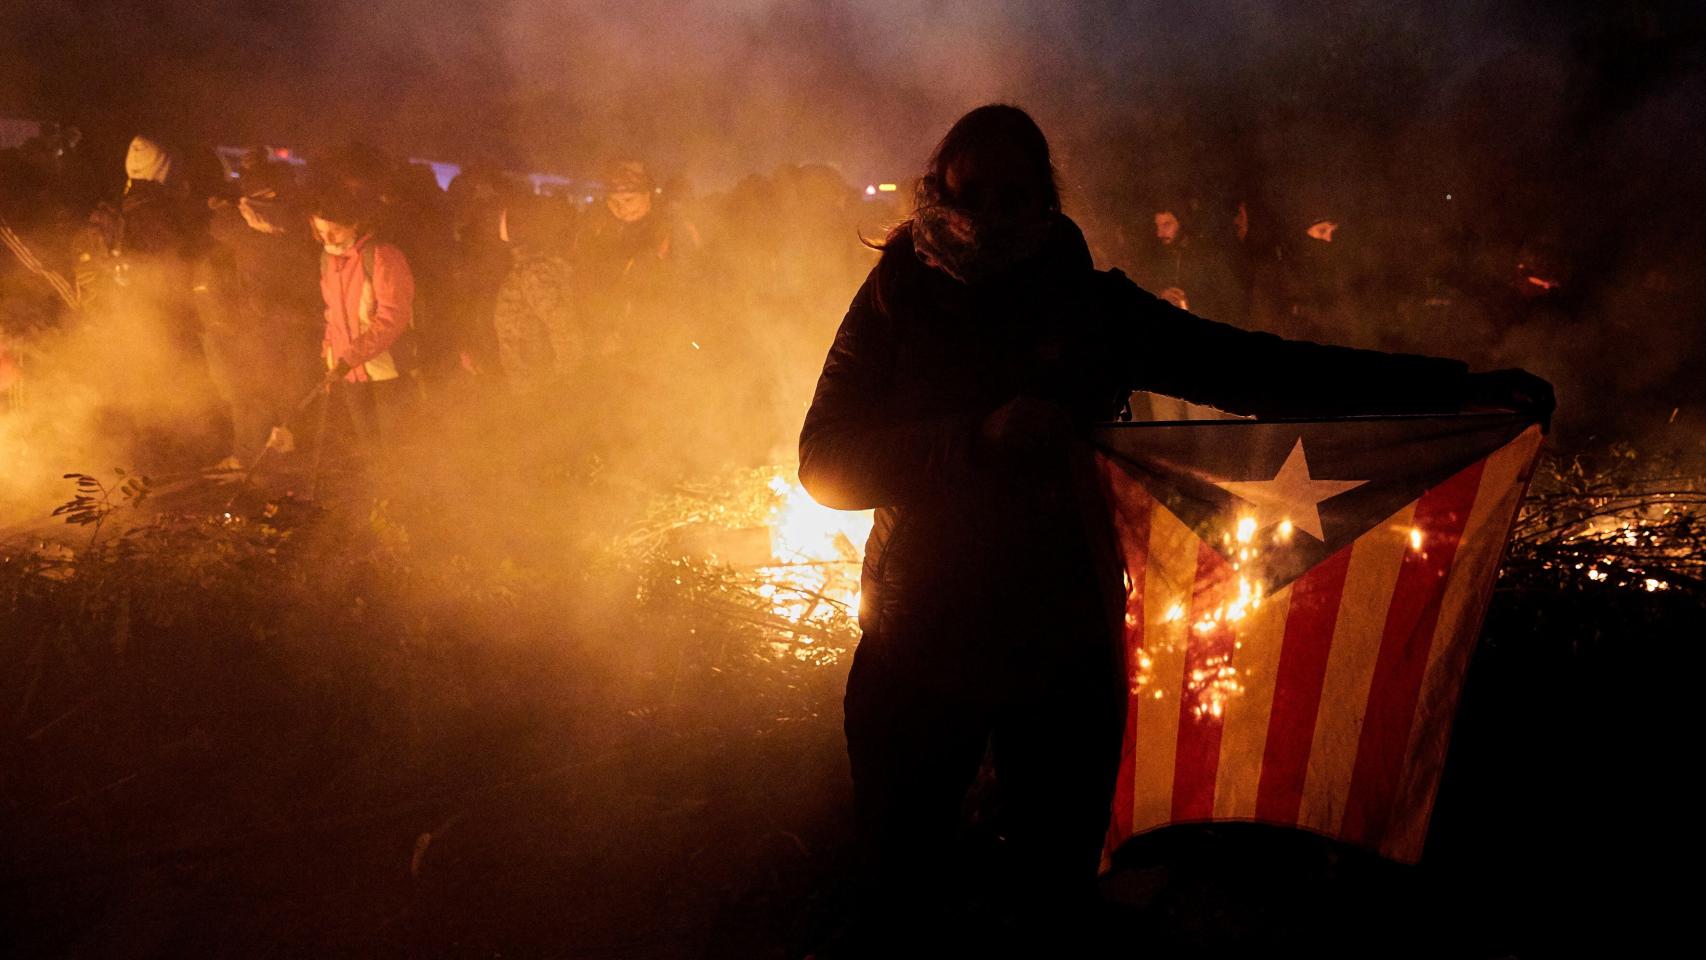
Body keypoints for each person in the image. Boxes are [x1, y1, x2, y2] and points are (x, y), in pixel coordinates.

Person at [798, 104, 1552, 955]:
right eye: (974, 195)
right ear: (938, 193)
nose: (993, 217)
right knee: (902, 895)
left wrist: (1457, 390)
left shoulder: (1093, 310)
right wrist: (976, 438)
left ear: (1046, 198)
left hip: (1062, 649)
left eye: (1016, 194)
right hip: (917, 645)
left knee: (1055, 896)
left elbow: (1261, 370)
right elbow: (825, 463)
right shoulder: (900, 299)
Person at [311, 190, 418, 457]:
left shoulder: (382, 256)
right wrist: (330, 351)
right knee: (370, 447)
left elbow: (393, 316)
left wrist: (352, 355)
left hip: (386, 370)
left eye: (334, 230)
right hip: (349, 370)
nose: (327, 238)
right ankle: (380, 494)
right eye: (320, 231)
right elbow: (332, 312)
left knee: (396, 447)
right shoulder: (328, 259)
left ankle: (402, 496)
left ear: (355, 223)